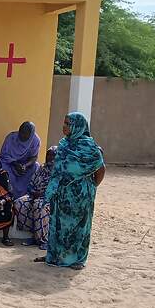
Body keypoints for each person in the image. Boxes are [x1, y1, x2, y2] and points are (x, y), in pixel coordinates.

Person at [36, 113, 105, 269]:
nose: (64, 126)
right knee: (59, 225)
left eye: (68, 123)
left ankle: (76, 260)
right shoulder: (64, 145)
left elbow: (101, 170)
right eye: (64, 123)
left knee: (78, 227)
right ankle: (54, 255)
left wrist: (92, 186)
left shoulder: (90, 148)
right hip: (61, 194)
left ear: (78, 127)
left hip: (81, 195)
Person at [14, 146, 57, 249]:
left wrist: (41, 194)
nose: (50, 157)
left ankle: (43, 240)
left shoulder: (59, 171)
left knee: (39, 206)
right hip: (35, 195)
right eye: (48, 155)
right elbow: (32, 183)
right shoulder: (41, 168)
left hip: (50, 199)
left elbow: (57, 190)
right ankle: (35, 233)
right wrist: (33, 193)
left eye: (53, 155)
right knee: (19, 203)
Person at [0, 121, 41, 199]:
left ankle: (24, 196)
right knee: (2, 165)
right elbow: (4, 155)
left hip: (25, 166)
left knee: (36, 166)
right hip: (11, 163)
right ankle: (10, 195)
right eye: (21, 132)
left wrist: (25, 166)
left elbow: (34, 157)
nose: (22, 135)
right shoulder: (11, 138)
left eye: (25, 133)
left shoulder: (35, 140)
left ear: (31, 134)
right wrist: (15, 164)